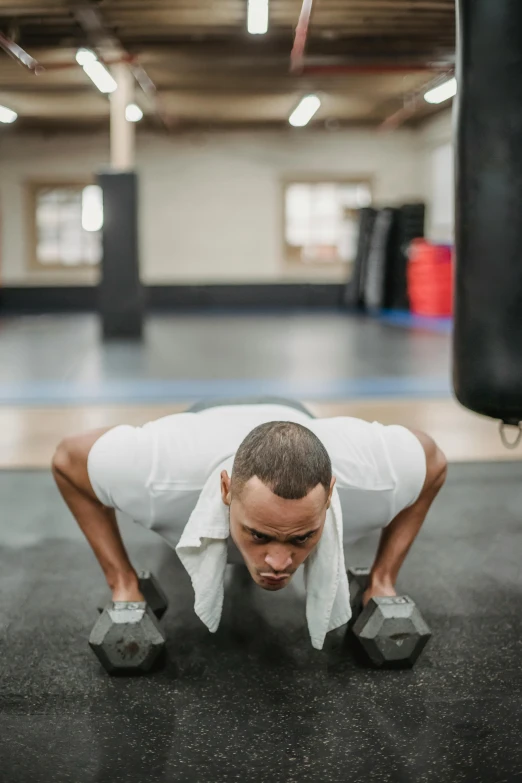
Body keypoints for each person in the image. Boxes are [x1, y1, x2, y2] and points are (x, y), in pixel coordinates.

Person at [51, 399, 447, 616]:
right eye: (259, 535)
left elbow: (434, 462)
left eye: (301, 537)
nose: (278, 562)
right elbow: (68, 460)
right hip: (203, 417)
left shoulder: (374, 477)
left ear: (331, 495)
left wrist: (383, 578)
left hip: (297, 418)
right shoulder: (158, 475)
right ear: (226, 490)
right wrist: (122, 581)